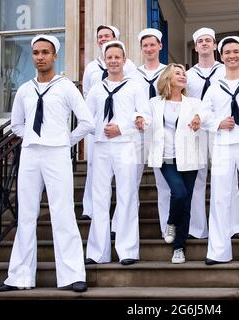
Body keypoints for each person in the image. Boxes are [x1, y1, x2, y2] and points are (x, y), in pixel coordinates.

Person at [0, 35, 93, 293]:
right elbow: (16, 124)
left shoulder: (66, 87)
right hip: (30, 154)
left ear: (54, 56)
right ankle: (19, 277)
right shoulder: (25, 89)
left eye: (45, 52)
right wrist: (32, 137)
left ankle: (72, 275)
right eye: (36, 52)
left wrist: (64, 141)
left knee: (63, 213)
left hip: (57, 154)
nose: (39, 56)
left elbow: (87, 122)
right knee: (26, 215)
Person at [200, 36, 239, 264]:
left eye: (236, 51)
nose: (232, 56)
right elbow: (203, 114)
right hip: (223, 146)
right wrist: (218, 122)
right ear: (221, 55)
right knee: (220, 198)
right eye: (227, 52)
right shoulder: (215, 87)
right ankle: (219, 251)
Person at [84, 40, 150, 266]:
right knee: (100, 198)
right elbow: (86, 118)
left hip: (125, 146)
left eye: (116, 57)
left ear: (124, 60)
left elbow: (145, 116)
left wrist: (122, 127)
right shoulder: (96, 89)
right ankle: (97, 252)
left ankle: (127, 250)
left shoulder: (135, 86)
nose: (113, 61)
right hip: (102, 146)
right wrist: (97, 128)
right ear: (104, 60)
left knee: (126, 196)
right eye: (109, 57)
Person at [186, 27, 239, 240]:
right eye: (200, 40)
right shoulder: (188, 75)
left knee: (228, 178)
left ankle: (235, 226)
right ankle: (197, 228)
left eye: (208, 40)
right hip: (196, 131)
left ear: (214, 45)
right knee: (198, 178)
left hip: (222, 130)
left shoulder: (225, 69)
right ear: (195, 46)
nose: (204, 43)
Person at [147, 63, 207, 263]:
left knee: (187, 202)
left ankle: (179, 247)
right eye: (178, 73)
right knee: (178, 193)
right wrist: (138, 118)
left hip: (189, 157)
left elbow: (206, 116)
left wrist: (200, 118)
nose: (183, 76)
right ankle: (171, 223)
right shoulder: (155, 103)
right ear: (167, 78)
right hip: (166, 157)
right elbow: (143, 116)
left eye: (184, 74)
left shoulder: (194, 103)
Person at [81, 25, 136, 221]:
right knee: (94, 175)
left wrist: (121, 127)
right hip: (98, 132)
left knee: (126, 189)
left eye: (107, 36)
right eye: (100, 36)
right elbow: (87, 96)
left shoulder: (130, 72)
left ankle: (123, 230)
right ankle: (90, 210)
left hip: (123, 139)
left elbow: (136, 108)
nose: (103, 39)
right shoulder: (91, 69)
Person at [127, 28, 170, 240]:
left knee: (164, 183)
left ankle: (166, 228)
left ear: (160, 46)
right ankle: (128, 231)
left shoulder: (168, 71)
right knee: (130, 182)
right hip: (137, 133)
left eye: (153, 44)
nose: (149, 48)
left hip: (162, 132)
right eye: (145, 45)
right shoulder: (132, 74)